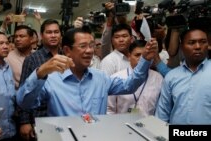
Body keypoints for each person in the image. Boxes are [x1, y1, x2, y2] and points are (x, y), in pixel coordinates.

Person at [16, 27, 158, 117]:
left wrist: (145, 59)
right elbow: (24, 103)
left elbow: (130, 85)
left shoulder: (101, 78)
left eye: (91, 45)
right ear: (67, 51)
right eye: (83, 46)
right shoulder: (52, 80)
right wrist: (40, 73)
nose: (89, 50)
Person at [155, 28, 211, 124]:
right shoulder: (171, 76)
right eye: (191, 42)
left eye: (203, 42)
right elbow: (162, 113)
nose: (198, 46)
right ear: (182, 47)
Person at [18, 19, 62, 140]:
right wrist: (24, 121)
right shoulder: (32, 59)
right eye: (49, 32)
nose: (53, 35)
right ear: (42, 36)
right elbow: (24, 90)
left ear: (60, 34)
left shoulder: (66, 56)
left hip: (63, 115)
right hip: (40, 116)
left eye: (56, 32)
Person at [108, 40, 163, 116]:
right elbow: (109, 109)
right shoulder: (117, 77)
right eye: (137, 55)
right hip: (121, 125)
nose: (141, 59)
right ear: (129, 56)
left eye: (145, 55)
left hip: (148, 125)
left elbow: (160, 109)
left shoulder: (158, 78)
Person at [5, 25, 34, 90]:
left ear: (31, 39)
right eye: (16, 36)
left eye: (22, 36)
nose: (17, 39)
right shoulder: (8, 57)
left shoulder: (37, 55)